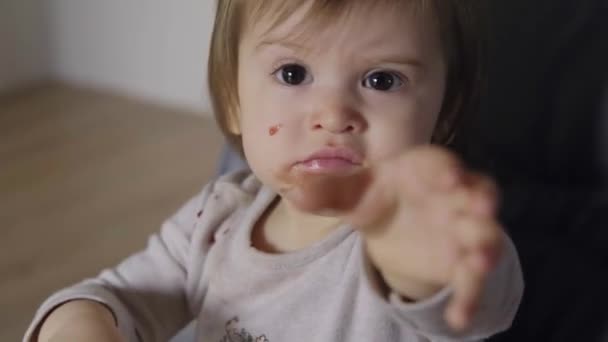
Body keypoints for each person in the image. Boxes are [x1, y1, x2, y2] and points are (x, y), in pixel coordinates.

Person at [25, 1, 523, 341]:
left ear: (445, 114)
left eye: (382, 79)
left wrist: (421, 269)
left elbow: (473, 299)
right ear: (233, 99)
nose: (333, 113)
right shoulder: (216, 218)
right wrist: (78, 323)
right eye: (293, 74)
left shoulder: (416, 235)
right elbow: (120, 296)